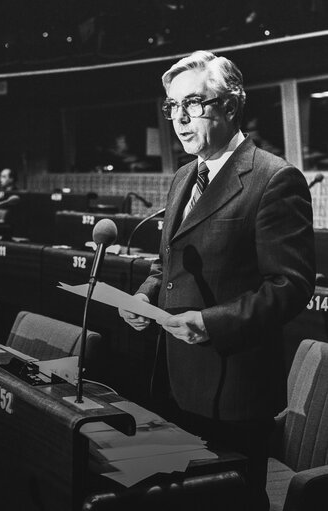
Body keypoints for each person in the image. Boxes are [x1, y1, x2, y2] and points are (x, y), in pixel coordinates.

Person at [119, 50, 315, 511]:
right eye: (171, 106)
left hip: (233, 390)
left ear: (230, 106)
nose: (180, 119)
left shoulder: (275, 179)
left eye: (193, 104)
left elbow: (290, 286)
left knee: (230, 502)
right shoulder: (184, 175)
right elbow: (167, 264)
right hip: (172, 379)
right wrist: (145, 295)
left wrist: (211, 322)